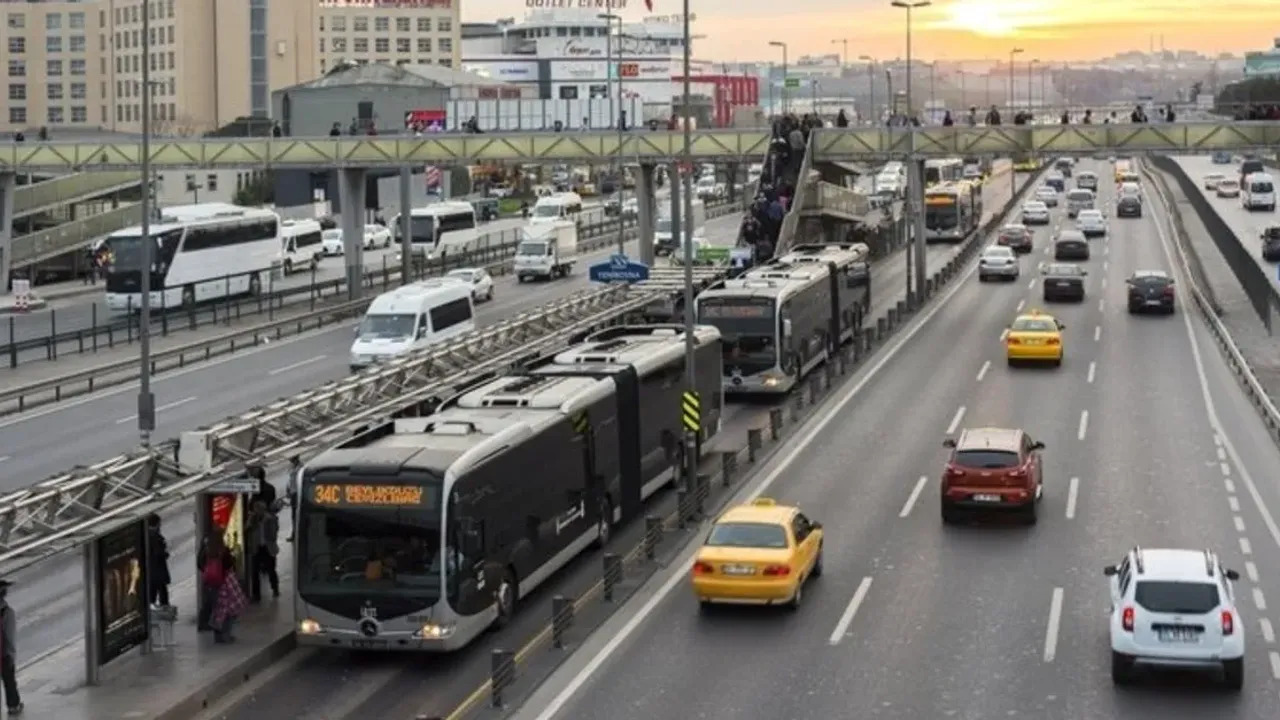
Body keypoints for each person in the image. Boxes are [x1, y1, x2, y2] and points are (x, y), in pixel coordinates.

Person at [246, 500, 280, 601]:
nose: (257, 512)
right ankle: (256, 595)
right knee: (255, 571)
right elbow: (246, 529)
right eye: (256, 510)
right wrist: (252, 522)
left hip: (267, 547)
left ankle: (275, 588)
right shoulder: (253, 519)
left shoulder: (270, 519)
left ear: (263, 510)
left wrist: (267, 524)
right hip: (257, 547)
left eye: (259, 510)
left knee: (271, 569)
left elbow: (273, 533)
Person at [0, 581, 21, 715]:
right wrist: (11, 656)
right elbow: (9, 637)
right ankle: (13, 705)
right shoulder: (7, 612)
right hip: (3, 656)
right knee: (9, 681)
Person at [147, 514, 171, 607]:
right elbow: (158, 552)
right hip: (157, 570)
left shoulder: (146, 534)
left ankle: (151, 609)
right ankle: (164, 611)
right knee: (162, 593)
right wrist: (165, 554)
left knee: (152, 594)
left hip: (151, 571)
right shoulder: (155, 536)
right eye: (159, 523)